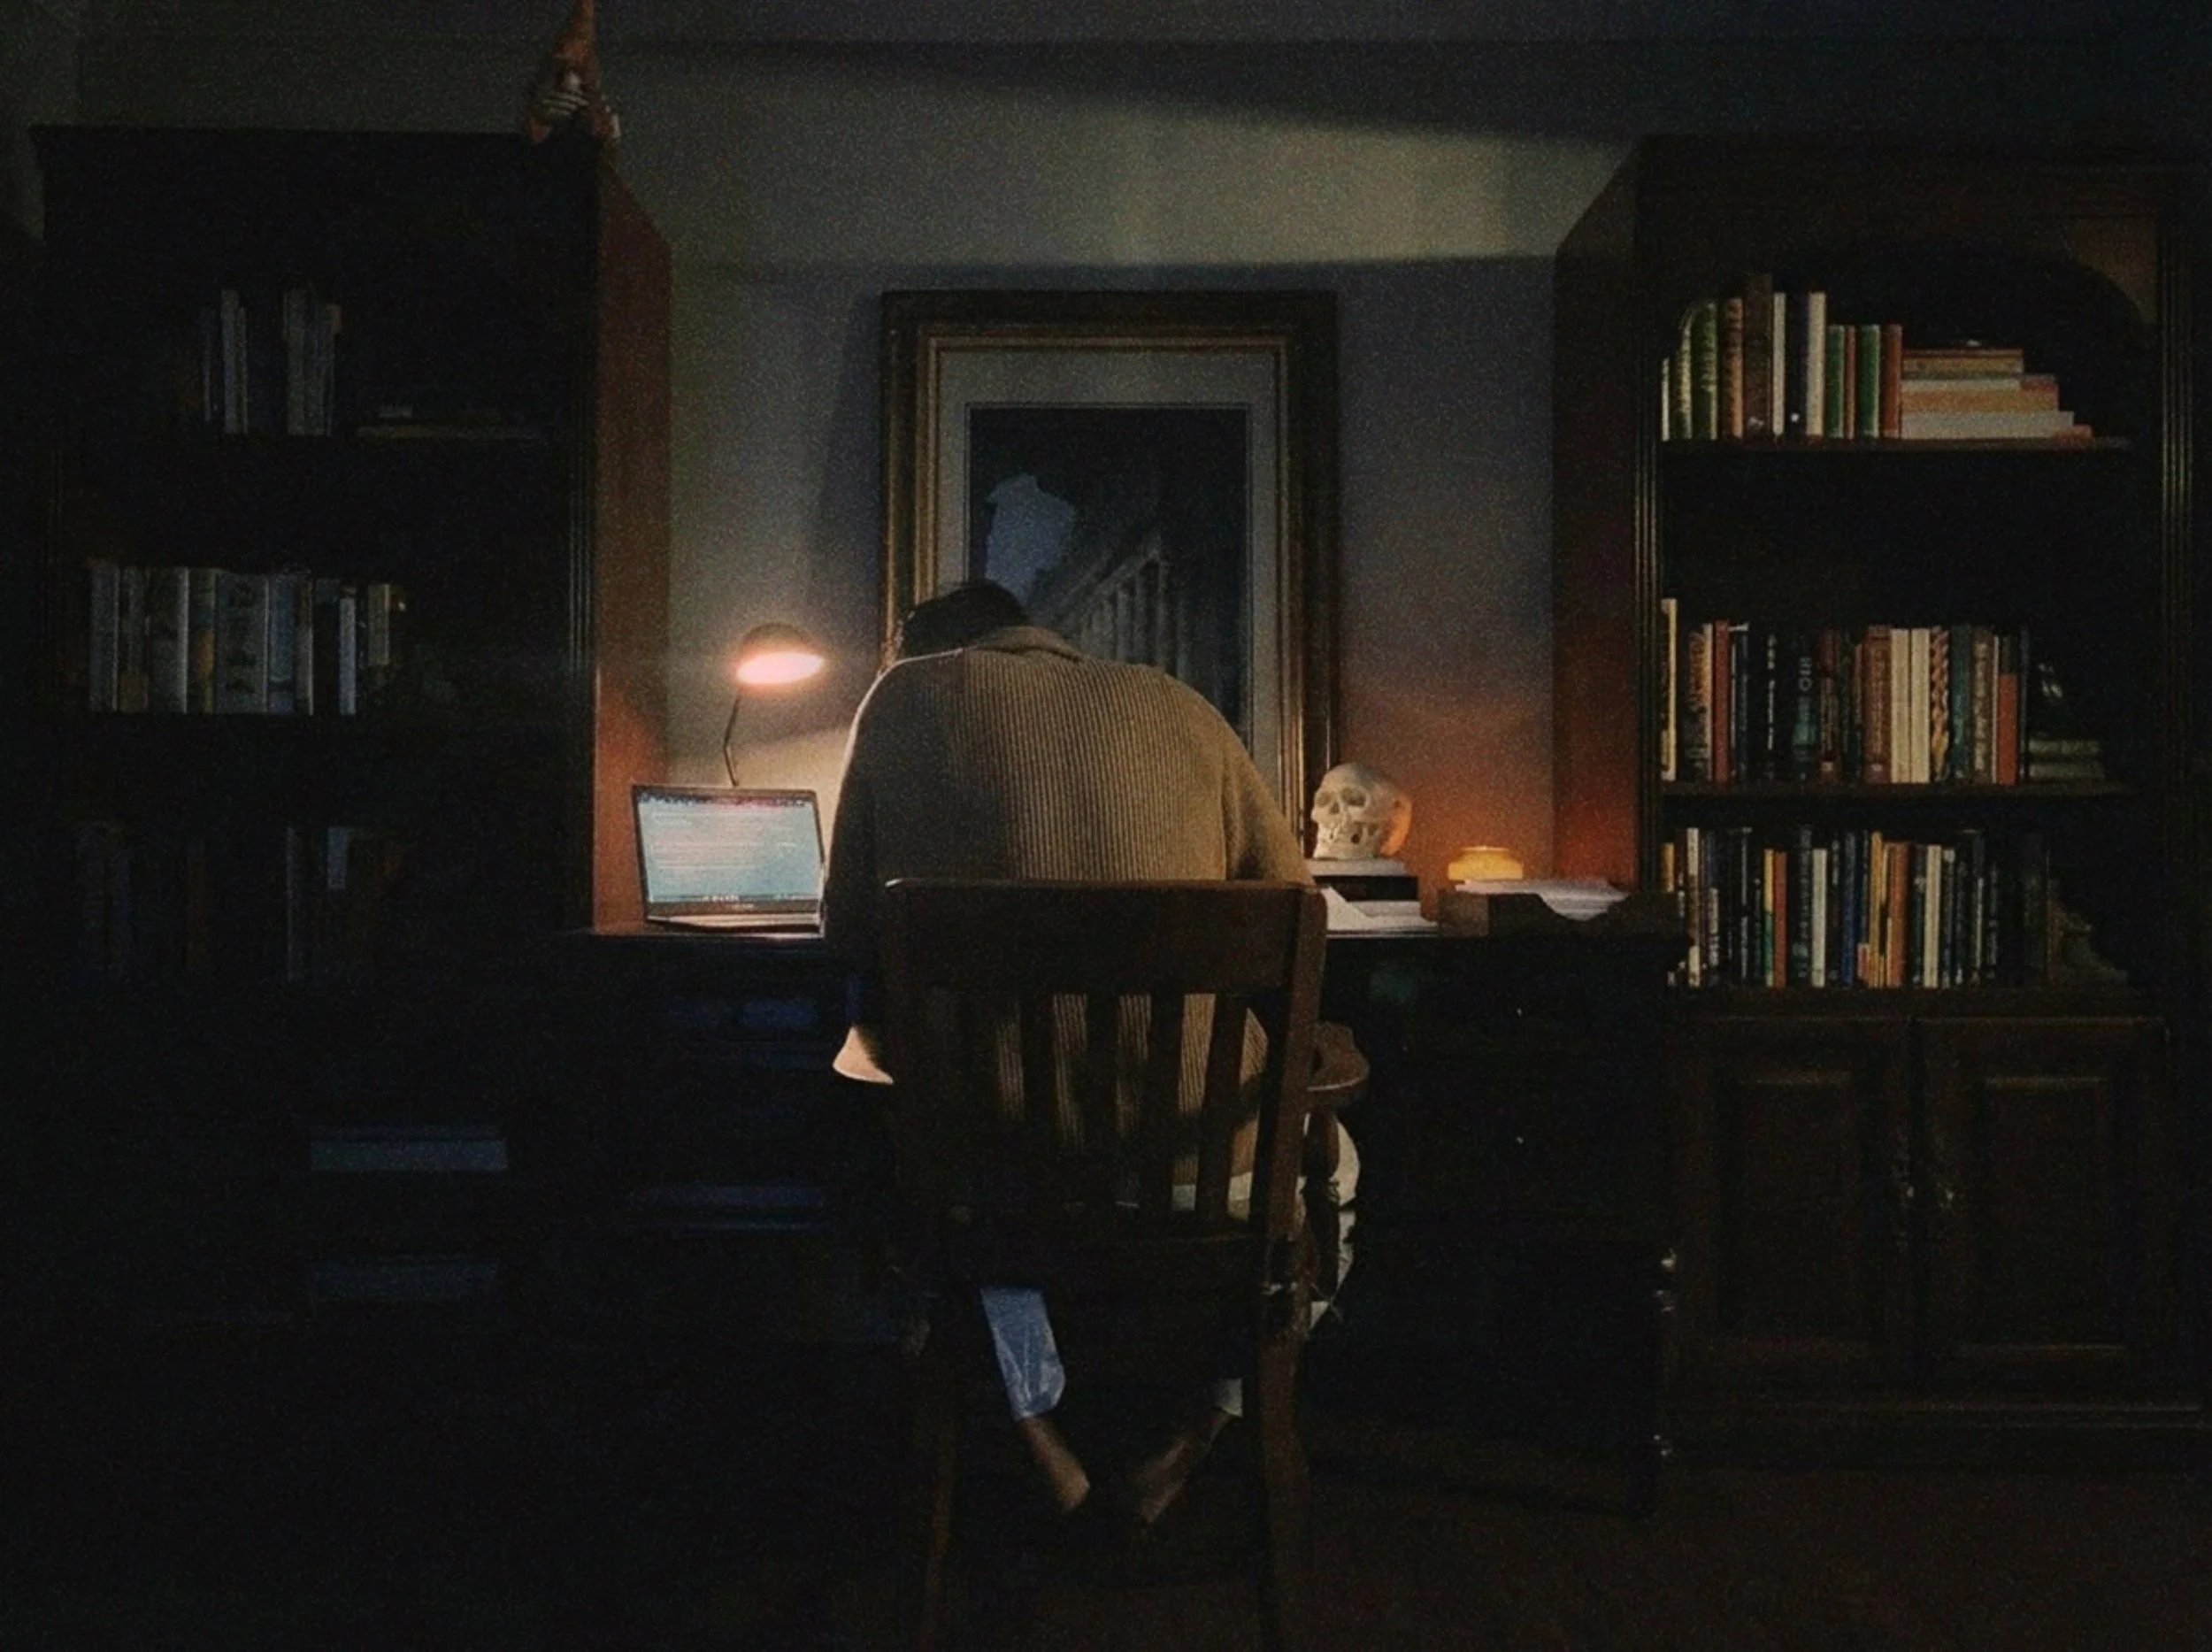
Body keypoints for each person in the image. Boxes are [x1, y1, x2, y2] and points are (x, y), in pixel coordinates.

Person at [821, 579, 1357, 1535]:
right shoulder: (1181, 706)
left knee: (929, 1178)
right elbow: (1294, 903)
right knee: (1331, 1171)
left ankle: (1035, 1434)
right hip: (1204, 1166)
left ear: (930, 651)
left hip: (996, 1168)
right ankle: (1194, 1433)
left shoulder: (902, 698)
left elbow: (849, 929)